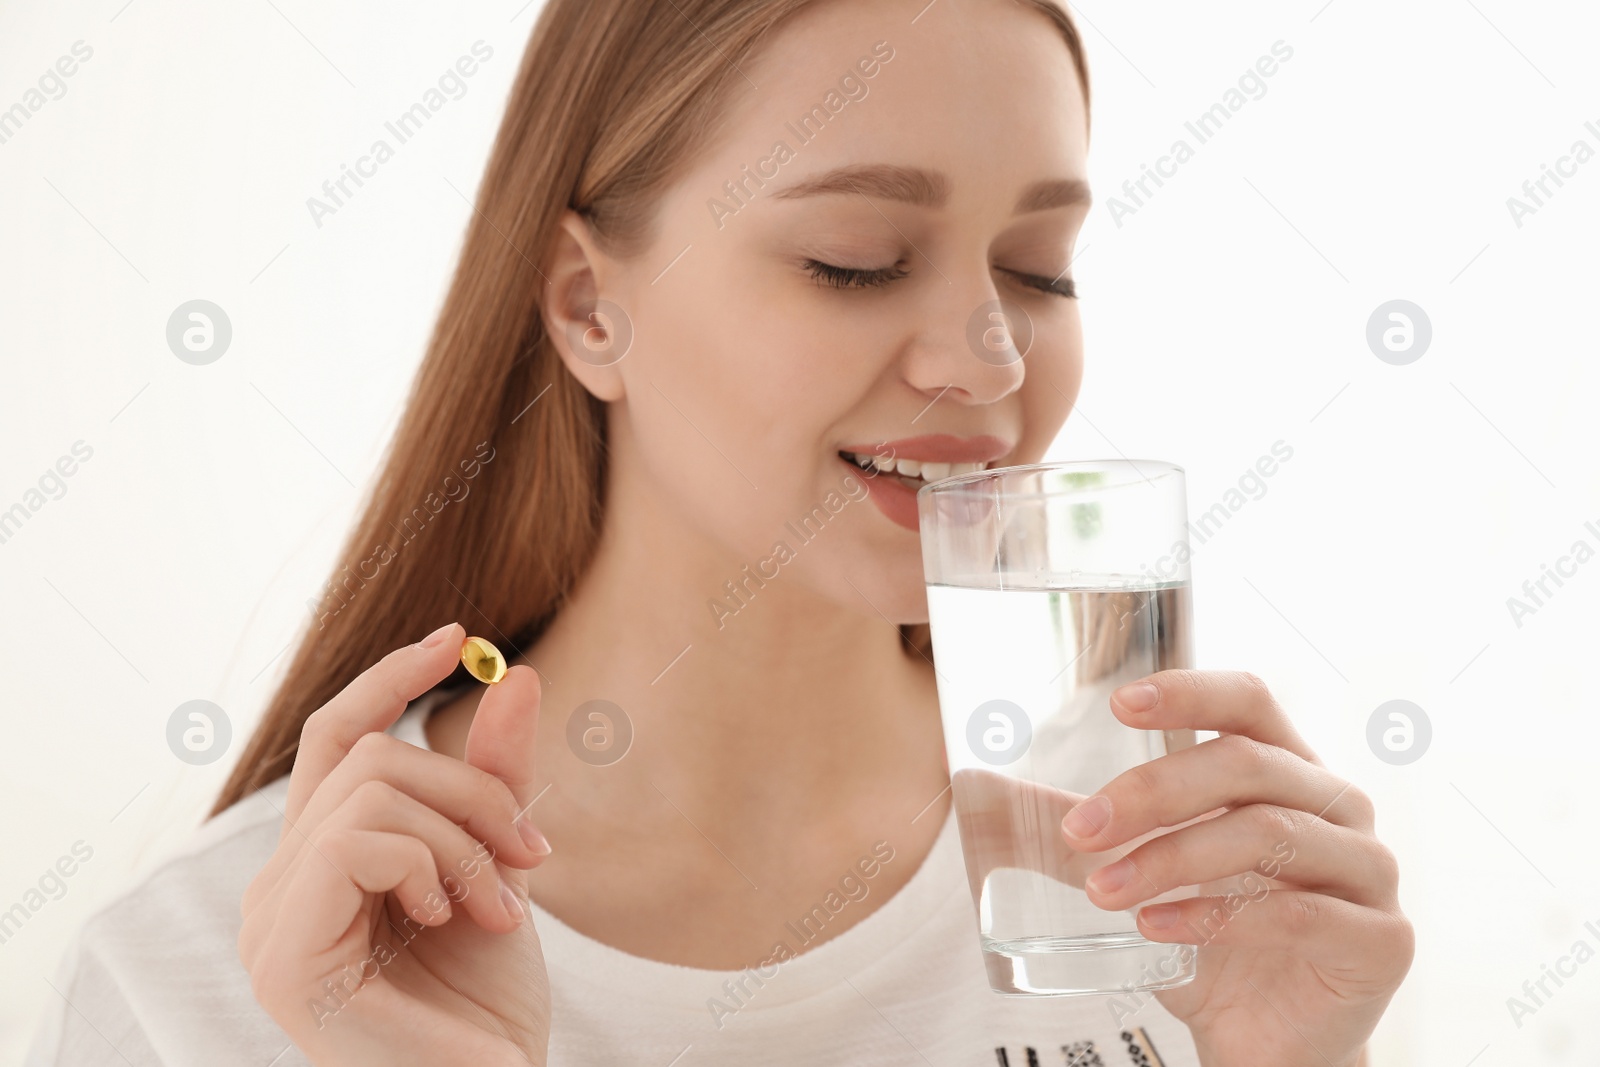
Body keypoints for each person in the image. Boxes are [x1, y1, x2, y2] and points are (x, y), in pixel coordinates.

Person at [29, 0, 1413, 1063]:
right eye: (856, 260)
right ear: (588, 306)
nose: (990, 359)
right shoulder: (211, 973)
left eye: (1038, 268)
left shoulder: (1182, 899)